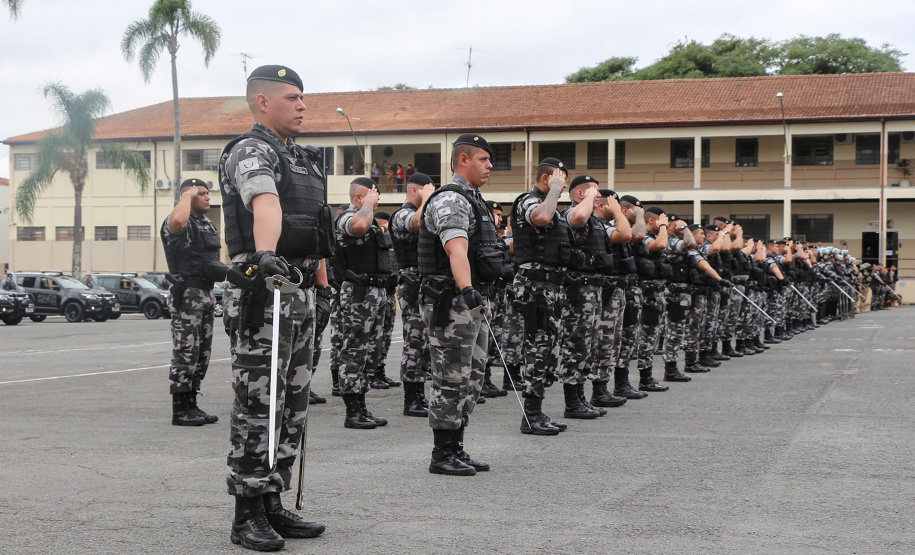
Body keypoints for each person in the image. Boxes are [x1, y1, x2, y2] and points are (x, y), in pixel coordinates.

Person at [219, 64, 328, 551]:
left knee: (294, 401)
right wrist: (266, 256)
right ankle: (247, 512)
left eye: (303, 97)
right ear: (262, 102)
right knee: (259, 403)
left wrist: (321, 286)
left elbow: (316, 229)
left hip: (301, 290)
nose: (302, 105)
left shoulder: (303, 159)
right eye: (292, 97)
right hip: (266, 291)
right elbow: (264, 200)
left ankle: (273, 502)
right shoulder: (252, 150)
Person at [418, 133, 504, 475]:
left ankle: (457, 446)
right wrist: (468, 288)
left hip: (470, 302)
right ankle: (442, 454)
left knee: (473, 375)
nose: (490, 166)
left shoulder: (475, 199)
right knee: (451, 376)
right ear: (463, 160)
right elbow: (456, 248)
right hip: (452, 301)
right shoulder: (451, 200)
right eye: (483, 159)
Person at [510, 157, 572, 435]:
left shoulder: (550, 204)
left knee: (548, 351)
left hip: (551, 288)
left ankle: (538, 410)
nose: (565, 186)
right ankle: (530, 416)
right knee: (536, 349)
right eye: (562, 180)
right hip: (534, 287)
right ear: (547, 179)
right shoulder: (529, 200)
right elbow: (541, 217)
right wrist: (555, 190)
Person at [333, 177, 397, 429]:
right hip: (359, 293)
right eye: (373, 195)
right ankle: (352, 411)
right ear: (359, 198)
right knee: (354, 350)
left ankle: (361, 404)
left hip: (377, 293)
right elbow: (358, 226)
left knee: (371, 351)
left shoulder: (370, 221)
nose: (377, 198)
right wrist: (368, 204)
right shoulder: (347, 218)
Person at [161, 178, 226, 427]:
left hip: (207, 293)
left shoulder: (206, 224)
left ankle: (192, 404)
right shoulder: (178, 220)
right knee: (185, 352)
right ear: (187, 196)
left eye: (208, 193)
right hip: (187, 294)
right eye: (201, 193)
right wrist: (186, 196)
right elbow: (177, 221)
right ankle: (180, 410)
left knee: (202, 354)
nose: (208, 197)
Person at [390, 172, 436, 417]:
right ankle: (411, 399)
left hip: (426, 284)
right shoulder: (401, 214)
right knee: (415, 342)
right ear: (416, 190)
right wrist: (427, 199)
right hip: (412, 284)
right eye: (428, 190)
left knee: (426, 344)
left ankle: (419, 395)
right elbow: (415, 223)